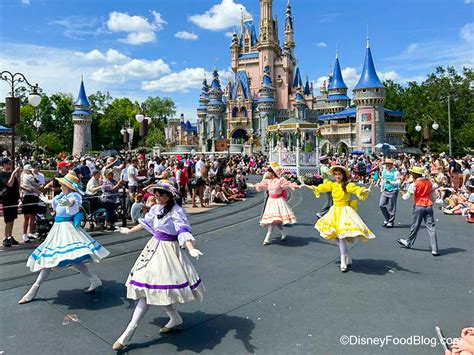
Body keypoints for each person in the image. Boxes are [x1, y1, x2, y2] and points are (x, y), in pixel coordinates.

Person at [113, 181, 204, 350]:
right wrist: (128, 231)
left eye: (161, 194)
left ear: (170, 196)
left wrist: (191, 248)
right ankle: (175, 317)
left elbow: (183, 231)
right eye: (156, 194)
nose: (158, 197)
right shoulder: (156, 208)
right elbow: (146, 223)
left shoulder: (176, 211)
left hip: (167, 252)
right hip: (153, 248)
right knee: (154, 289)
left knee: (154, 289)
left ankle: (129, 332)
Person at [18, 172, 110, 304]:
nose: (60, 186)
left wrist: (69, 203)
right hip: (58, 228)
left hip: (67, 229)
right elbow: (57, 207)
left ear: (68, 186)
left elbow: (73, 205)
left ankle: (34, 289)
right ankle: (94, 280)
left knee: (52, 258)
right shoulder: (62, 196)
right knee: (69, 258)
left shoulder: (74, 196)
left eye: (62, 184)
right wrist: (48, 200)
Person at [305, 166, 375, 272]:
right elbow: (321, 188)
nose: (337, 176)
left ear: (343, 175)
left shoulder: (347, 185)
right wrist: (309, 186)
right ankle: (346, 255)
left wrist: (363, 189)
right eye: (336, 174)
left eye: (339, 174)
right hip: (334, 211)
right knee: (332, 235)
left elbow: (355, 189)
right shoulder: (332, 185)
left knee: (341, 236)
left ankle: (343, 260)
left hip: (344, 211)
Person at [250, 164, 300, 246]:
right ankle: (283, 234)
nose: (268, 173)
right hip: (270, 201)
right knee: (275, 220)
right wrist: (255, 185)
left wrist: (295, 185)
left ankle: (267, 238)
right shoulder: (269, 181)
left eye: (269, 172)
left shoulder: (280, 180)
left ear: (273, 173)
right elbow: (261, 185)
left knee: (273, 220)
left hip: (278, 202)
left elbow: (288, 185)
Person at [398, 166, 440, 256]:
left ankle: (408, 242)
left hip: (419, 205)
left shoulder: (414, 184)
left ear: (416, 174)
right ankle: (435, 249)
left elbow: (406, 196)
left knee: (415, 225)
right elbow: (434, 192)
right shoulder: (429, 183)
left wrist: (403, 194)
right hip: (428, 205)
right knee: (431, 227)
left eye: (413, 173)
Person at [0, 158, 22, 247]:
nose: (10, 165)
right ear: (4, 164)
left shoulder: (10, 174)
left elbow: (17, 184)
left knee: (12, 219)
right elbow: (9, 184)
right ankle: (5, 237)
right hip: (7, 199)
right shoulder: (2, 174)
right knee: (8, 219)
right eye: (9, 163)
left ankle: (10, 236)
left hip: (14, 198)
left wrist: (18, 175)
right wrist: (13, 173)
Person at [20, 164, 42, 243]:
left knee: (33, 215)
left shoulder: (30, 175)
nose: (30, 171)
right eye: (28, 169)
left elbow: (37, 185)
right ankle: (24, 234)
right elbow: (36, 184)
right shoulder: (26, 176)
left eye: (30, 169)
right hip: (27, 197)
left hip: (34, 196)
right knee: (27, 217)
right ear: (25, 170)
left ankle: (30, 233)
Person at [379, 158, 401, 228]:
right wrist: (381, 188)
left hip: (393, 190)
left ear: (392, 165)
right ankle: (387, 218)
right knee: (381, 205)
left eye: (389, 164)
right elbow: (383, 180)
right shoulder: (384, 171)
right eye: (386, 164)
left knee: (391, 207)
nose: (387, 165)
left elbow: (398, 182)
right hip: (385, 190)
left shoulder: (396, 172)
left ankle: (390, 221)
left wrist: (390, 182)